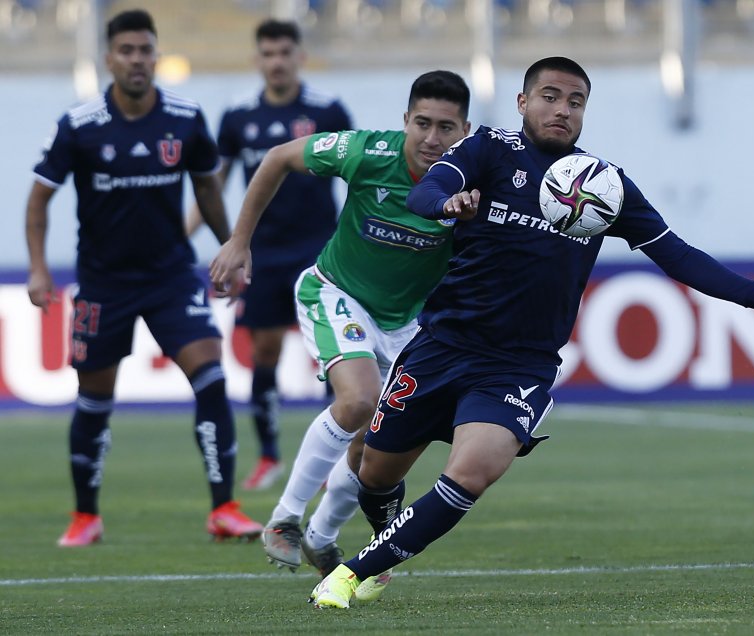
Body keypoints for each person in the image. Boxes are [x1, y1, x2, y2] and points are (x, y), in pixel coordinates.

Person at [308, 56, 754, 609]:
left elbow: (676, 254)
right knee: (376, 471)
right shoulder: (487, 149)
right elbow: (424, 193)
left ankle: (348, 575)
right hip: (442, 346)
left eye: (575, 101)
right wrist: (448, 202)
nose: (562, 109)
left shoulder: (602, 184)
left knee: (473, 471)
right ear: (522, 102)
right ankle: (387, 538)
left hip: (519, 364)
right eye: (550, 96)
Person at [209, 70, 471, 597]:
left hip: (406, 325)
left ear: (464, 131)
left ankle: (322, 536)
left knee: (376, 447)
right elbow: (279, 156)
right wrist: (240, 241)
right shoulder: (367, 152)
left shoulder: (473, 182)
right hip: (335, 292)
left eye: (446, 127)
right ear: (405, 122)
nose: (431, 138)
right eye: (422, 123)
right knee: (358, 401)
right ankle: (284, 518)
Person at [25, 9, 262, 547]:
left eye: (145, 49)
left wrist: (233, 249)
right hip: (103, 283)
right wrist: (39, 266)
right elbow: (40, 198)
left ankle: (224, 507)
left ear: (157, 55)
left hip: (171, 277)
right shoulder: (80, 124)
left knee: (212, 377)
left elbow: (206, 188)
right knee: (94, 399)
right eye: (127, 50)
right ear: (110, 58)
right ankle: (86, 516)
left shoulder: (185, 116)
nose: (137, 59)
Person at [187, 19, 353, 491]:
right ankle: (269, 456)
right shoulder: (238, 118)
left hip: (322, 252)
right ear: (257, 60)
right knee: (264, 350)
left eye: (285, 52)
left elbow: (356, 177)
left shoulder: (327, 110)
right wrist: (183, 237)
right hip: (263, 254)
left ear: (299, 56)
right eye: (268, 54)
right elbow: (213, 185)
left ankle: (331, 456)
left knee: (334, 353)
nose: (277, 62)